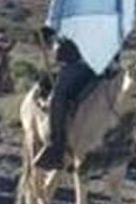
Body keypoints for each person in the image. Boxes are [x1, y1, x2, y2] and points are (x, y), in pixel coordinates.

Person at [33, 27, 97, 170]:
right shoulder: (66, 16)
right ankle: (56, 147)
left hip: (100, 64)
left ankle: (127, 144)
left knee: (122, 93)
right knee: (59, 97)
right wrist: (44, 36)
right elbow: (45, 36)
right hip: (74, 66)